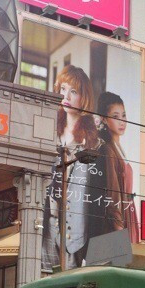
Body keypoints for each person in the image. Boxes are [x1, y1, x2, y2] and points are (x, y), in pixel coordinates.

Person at [41, 65, 105, 271]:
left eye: (73, 91)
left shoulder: (94, 143)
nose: (66, 96)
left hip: (78, 239)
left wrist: (96, 254)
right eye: (63, 89)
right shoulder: (48, 133)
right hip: (46, 231)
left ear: (83, 97)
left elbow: (102, 201)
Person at [97, 92, 139, 242]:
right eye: (115, 117)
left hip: (128, 213)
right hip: (119, 219)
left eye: (124, 115)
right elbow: (112, 193)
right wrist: (118, 227)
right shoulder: (108, 149)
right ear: (104, 119)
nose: (122, 121)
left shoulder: (118, 146)